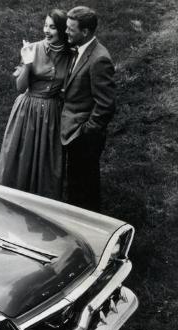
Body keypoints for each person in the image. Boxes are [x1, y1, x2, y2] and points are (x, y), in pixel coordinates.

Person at [0, 9, 71, 200]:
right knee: (22, 154)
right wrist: (28, 64)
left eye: (52, 27)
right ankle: (15, 198)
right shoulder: (33, 49)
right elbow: (20, 87)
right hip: (27, 110)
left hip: (52, 112)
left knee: (46, 157)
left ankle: (42, 198)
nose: (46, 30)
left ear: (62, 30)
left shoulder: (70, 54)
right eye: (45, 25)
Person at [61, 6, 116, 211]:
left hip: (84, 137)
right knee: (77, 185)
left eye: (70, 29)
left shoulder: (99, 59)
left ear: (85, 32)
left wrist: (86, 132)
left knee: (85, 190)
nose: (66, 32)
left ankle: (88, 230)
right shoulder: (80, 49)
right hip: (75, 132)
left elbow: (106, 105)